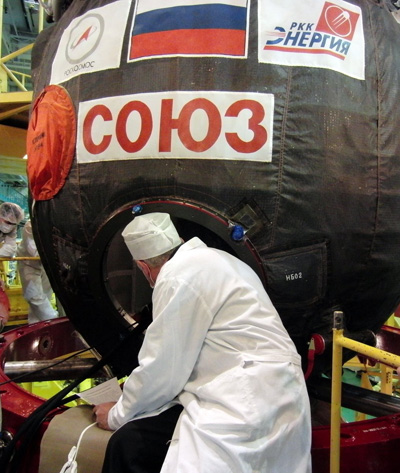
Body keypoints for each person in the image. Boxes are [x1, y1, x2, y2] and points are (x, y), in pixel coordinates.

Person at [94, 212, 312, 473]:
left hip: (239, 399)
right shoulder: (223, 260)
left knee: (130, 445)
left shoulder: (176, 276)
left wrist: (116, 414)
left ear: (143, 267)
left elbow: (162, 368)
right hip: (284, 391)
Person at [16, 220, 58, 324]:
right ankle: (52, 321)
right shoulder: (31, 225)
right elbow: (34, 251)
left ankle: (37, 326)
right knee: (34, 297)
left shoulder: (58, 223)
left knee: (45, 295)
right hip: (29, 263)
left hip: (46, 264)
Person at [0, 202, 24, 331]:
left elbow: (10, 248)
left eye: (14, 224)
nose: (10, 227)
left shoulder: (10, 228)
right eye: (8, 222)